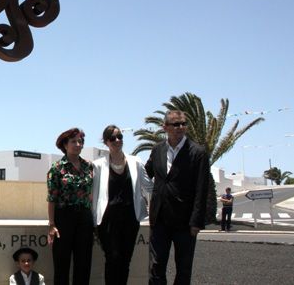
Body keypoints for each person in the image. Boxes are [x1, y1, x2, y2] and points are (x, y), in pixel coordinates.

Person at [145, 110, 210, 285]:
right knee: (156, 267)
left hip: (185, 222)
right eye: (176, 124)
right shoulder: (157, 150)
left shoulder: (198, 152)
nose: (181, 127)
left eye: (183, 124)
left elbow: (201, 189)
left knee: (183, 268)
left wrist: (196, 221)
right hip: (159, 220)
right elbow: (144, 175)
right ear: (165, 127)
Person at [92, 125, 153, 285]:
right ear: (106, 142)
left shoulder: (135, 162)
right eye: (113, 138)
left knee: (125, 260)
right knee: (112, 258)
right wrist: (93, 222)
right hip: (107, 221)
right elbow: (94, 195)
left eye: (120, 137)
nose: (117, 140)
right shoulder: (98, 165)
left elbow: (149, 186)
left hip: (130, 219)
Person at [47, 127, 94, 285]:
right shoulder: (57, 168)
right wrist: (52, 224)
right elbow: (51, 197)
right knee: (61, 264)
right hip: (64, 218)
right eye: (73, 141)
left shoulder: (89, 166)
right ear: (65, 145)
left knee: (84, 263)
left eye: (80, 141)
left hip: (85, 219)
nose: (78, 144)